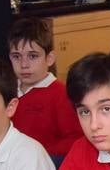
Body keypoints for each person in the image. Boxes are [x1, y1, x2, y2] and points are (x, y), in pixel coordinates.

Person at [7, 16, 83, 158]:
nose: (24, 65)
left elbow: (76, 139)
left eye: (33, 56)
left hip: (46, 165)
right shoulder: (5, 92)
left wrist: (40, 154)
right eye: (17, 56)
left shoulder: (62, 94)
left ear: (49, 59)